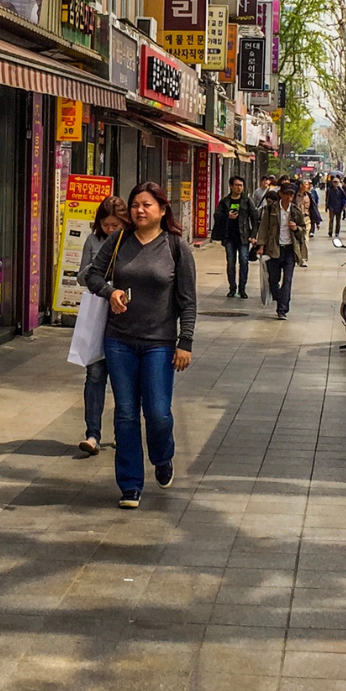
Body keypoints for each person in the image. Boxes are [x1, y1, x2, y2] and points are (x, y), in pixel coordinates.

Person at [84, 182, 196, 509]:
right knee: (126, 414)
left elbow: (187, 301)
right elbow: (92, 276)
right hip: (119, 340)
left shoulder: (176, 246)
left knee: (158, 413)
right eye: (135, 205)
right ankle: (130, 484)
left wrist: (184, 342)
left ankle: (163, 458)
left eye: (147, 205)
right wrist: (110, 292)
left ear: (162, 210)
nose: (139, 210)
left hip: (159, 344)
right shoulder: (119, 240)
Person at [76, 194, 129, 455]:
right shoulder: (93, 240)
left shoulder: (131, 241)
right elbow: (80, 277)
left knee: (122, 378)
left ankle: (123, 432)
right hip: (98, 314)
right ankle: (92, 434)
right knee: (95, 375)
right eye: (106, 225)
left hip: (124, 316)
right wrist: (96, 271)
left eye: (115, 226)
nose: (110, 230)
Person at [256, 184, 308, 320]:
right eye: (287, 194)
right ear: (281, 194)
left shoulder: (296, 211)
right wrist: (261, 246)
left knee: (288, 280)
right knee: (273, 280)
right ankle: (280, 298)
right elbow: (263, 227)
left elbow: (303, 230)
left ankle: (282, 309)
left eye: (291, 195)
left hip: (290, 250)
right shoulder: (271, 209)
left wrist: (296, 228)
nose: (289, 197)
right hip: (274, 249)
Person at [210, 176, 259, 299]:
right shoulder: (225, 201)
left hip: (243, 237)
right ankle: (232, 288)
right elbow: (217, 216)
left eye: (241, 185)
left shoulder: (247, 201)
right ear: (231, 186)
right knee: (231, 263)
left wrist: (253, 235)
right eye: (236, 185)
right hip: (229, 237)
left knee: (243, 261)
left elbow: (254, 218)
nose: (239, 188)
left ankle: (242, 289)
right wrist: (228, 216)